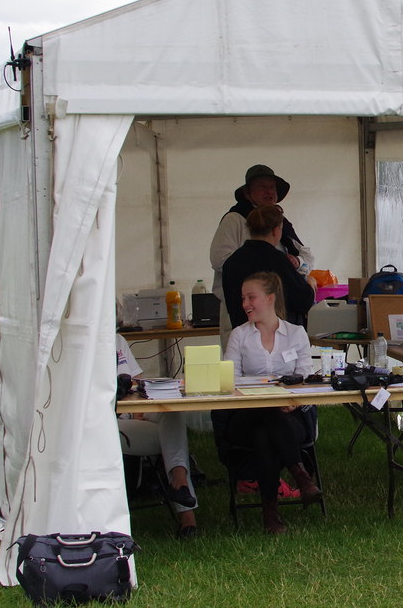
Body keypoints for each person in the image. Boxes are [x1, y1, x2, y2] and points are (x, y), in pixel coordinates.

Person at [216, 271, 321, 534]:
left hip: (289, 415)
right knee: (264, 414)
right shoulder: (239, 335)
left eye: (251, 297)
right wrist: (269, 399)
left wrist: (294, 402)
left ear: (271, 298)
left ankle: (270, 515)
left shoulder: (296, 333)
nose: (245, 304)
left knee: (264, 435)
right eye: (243, 299)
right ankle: (300, 474)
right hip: (244, 416)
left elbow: (306, 377)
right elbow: (231, 380)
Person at [209, 164, 314, 343]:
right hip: (242, 309)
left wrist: (297, 261)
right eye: (262, 187)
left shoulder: (283, 223)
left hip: (278, 313)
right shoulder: (234, 219)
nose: (269, 192)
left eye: (272, 187)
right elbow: (219, 259)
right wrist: (260, 270)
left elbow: (307, 256)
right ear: (248, 193)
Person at [116, 334, 199, 539]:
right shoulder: (82, 345)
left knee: (171, 413)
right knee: (171, 436)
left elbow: (136, 380)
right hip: (110, 422)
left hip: (133, 413)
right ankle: (187, 515)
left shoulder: (117, 339)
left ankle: (180, 481)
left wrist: (139, 409)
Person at [222, 203, 315, 329]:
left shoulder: (231, 262)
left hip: (243, 336)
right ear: (276, 231)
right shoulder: (277, 260)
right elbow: (303, 300)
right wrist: (309, 283)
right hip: (275, 338)